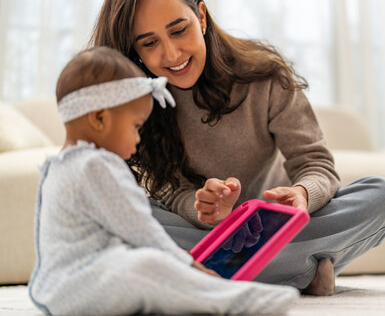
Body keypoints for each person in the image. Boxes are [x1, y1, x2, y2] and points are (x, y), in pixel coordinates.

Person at [90, 0, 385, 296]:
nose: (171, 53)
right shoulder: (141, 104)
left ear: (202, 17)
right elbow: (169, 192)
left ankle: (215, 272)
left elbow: (316, 165)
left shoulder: (265, 76)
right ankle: (299, 271)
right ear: (134, 52)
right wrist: (203, 207)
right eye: (149, 43)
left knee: (382, 196)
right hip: (206, 232)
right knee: (119, 211)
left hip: (277, 227)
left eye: (179, 30)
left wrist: (301, 195)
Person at [28, 46, 299, 315]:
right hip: (87, 283)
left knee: (148, 267)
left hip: (56, 290)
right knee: (148, 264)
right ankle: (231, 300)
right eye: (135, 127)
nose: (137, 140)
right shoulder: (98, 165)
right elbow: (142, 231)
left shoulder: (57, 167)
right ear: (99, 118)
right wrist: (188, 266)